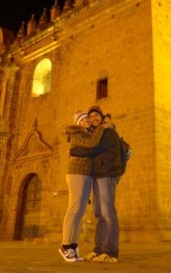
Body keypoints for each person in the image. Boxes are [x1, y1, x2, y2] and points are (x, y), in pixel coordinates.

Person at [69, 105, 125, 263]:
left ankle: (111, 252)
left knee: (108, 213)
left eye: (96, 115)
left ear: (101, 117)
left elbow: (93, 149)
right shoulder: (96, 133)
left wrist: (74, 151)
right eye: (90, 116)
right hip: (97, 175)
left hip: (106, 174)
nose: (93, 118)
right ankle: (99, 249)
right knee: (99, 214)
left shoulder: (107, 130)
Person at [59, 111, 106, 262]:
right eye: (84, 119)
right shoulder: (77, 133)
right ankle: (65, 245)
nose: (87, 120)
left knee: (80, 211)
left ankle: (73, 247)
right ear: (78, 122)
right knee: (74, 209)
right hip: (76, 173)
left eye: (87, 118)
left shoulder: (87, 133)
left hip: (86, 174)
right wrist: (101, 127)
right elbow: (91, 144)